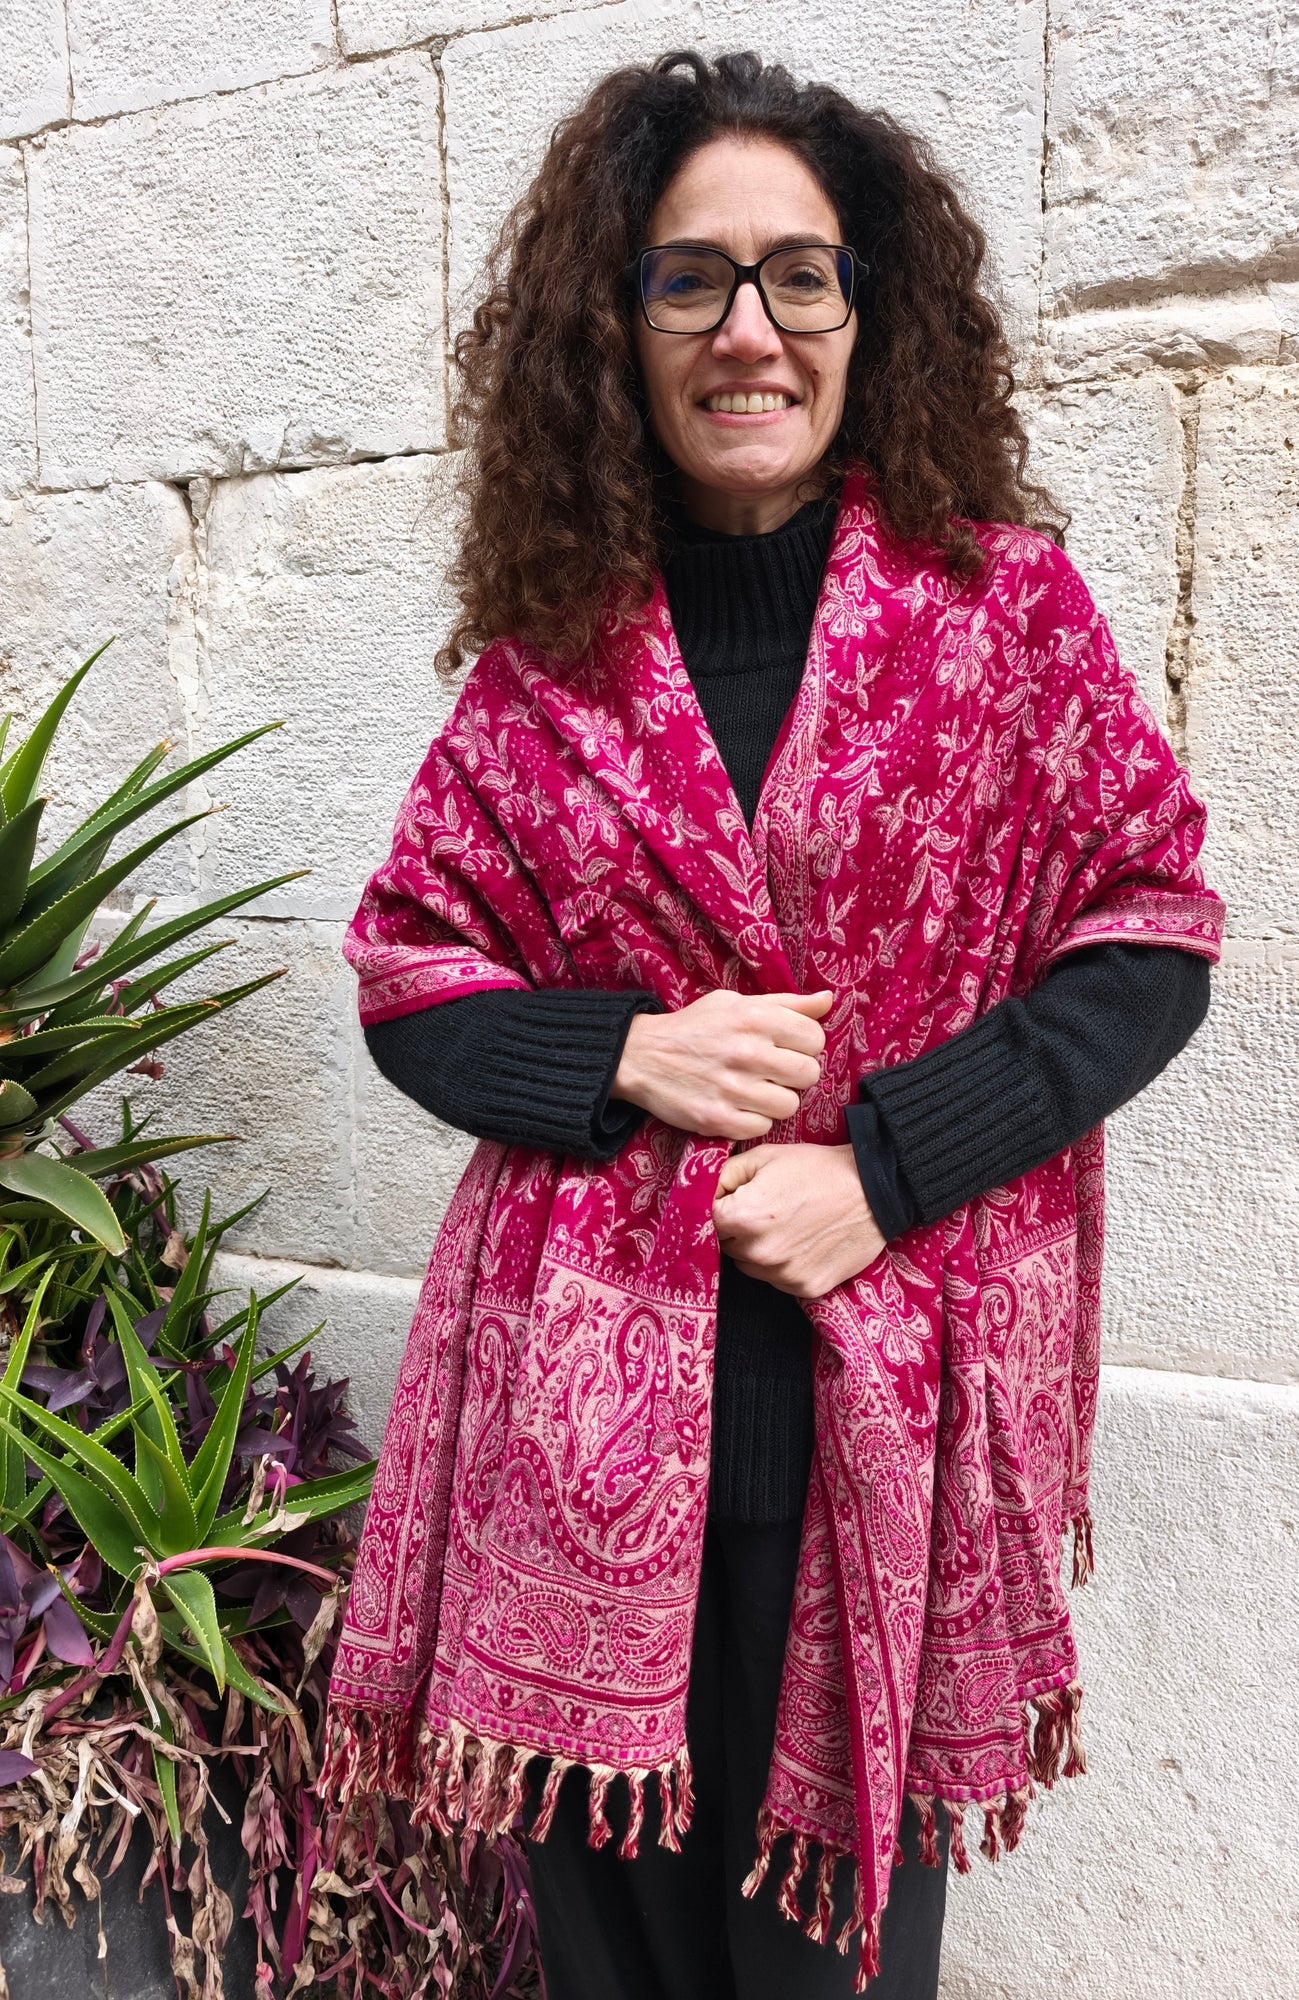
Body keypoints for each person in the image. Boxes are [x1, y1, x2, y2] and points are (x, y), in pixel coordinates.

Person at [318, 48, 1224, 2000]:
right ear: (618, 326)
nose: (750, 328)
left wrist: (882, 1171)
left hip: (871, 1437)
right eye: (692, 278)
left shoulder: (1001, 620)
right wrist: (622, 1052)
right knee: (610, 1964)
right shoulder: (546, 668)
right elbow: (407, 967)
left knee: (831, 1970)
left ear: (866, 311)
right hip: (571, 1461)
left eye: (799, 275)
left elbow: (1151, 932)